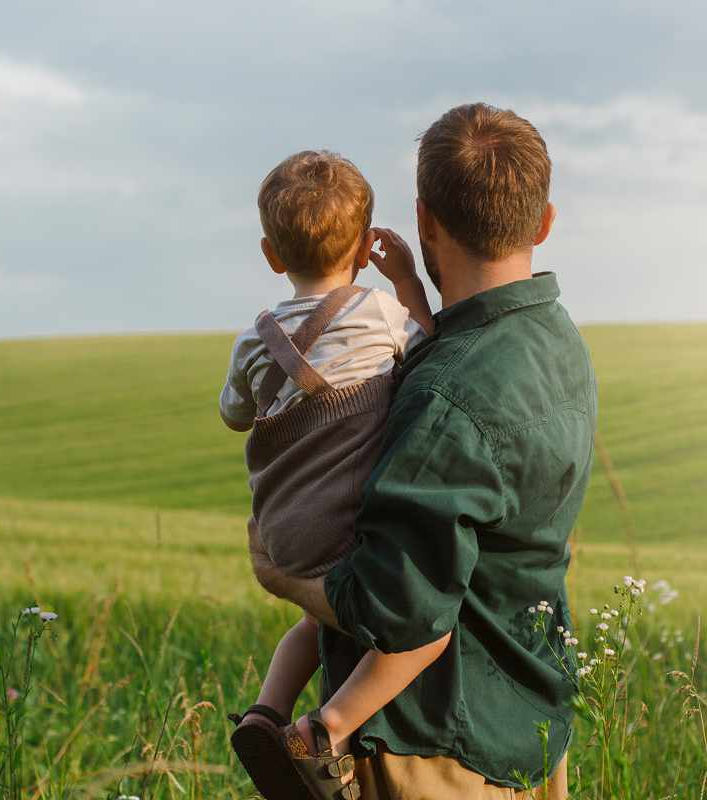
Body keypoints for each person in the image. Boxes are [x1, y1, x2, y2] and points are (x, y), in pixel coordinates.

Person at [249, 103, 597, 799]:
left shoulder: (444, 398)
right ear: (545, 223)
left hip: (435, 751)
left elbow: (396, 611)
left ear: (425, 222)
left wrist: (282, 577)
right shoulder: (559, 344)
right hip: (526, 723)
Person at [220, 150, 450, 799]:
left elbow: (234, 416)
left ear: (271, 253)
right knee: (422, 633)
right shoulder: (377, 312)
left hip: (283, 532)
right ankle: (326, 729)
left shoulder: (253, 339)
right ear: (362, 246)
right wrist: (406, 278)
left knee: (314, 624)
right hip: (349, 528)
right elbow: (430, 339)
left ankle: (265, 714)